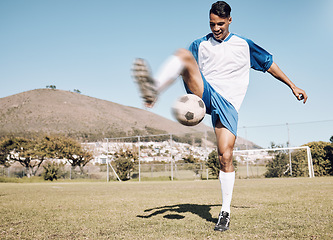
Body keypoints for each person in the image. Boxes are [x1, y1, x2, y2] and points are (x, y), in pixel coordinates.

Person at [132, 1, 308, 232]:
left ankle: (224, 212)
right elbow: (182, 68)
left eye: (220, 24)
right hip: (205, 92)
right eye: (212, 24)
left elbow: (269, 64)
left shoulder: (243, 45)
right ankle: (153, 87)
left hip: (228, 105)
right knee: (184, 55)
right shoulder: (200, 44)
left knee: (225, 156)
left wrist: (292, 86)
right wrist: (158, 90)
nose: (216, 28)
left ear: (230, 20)